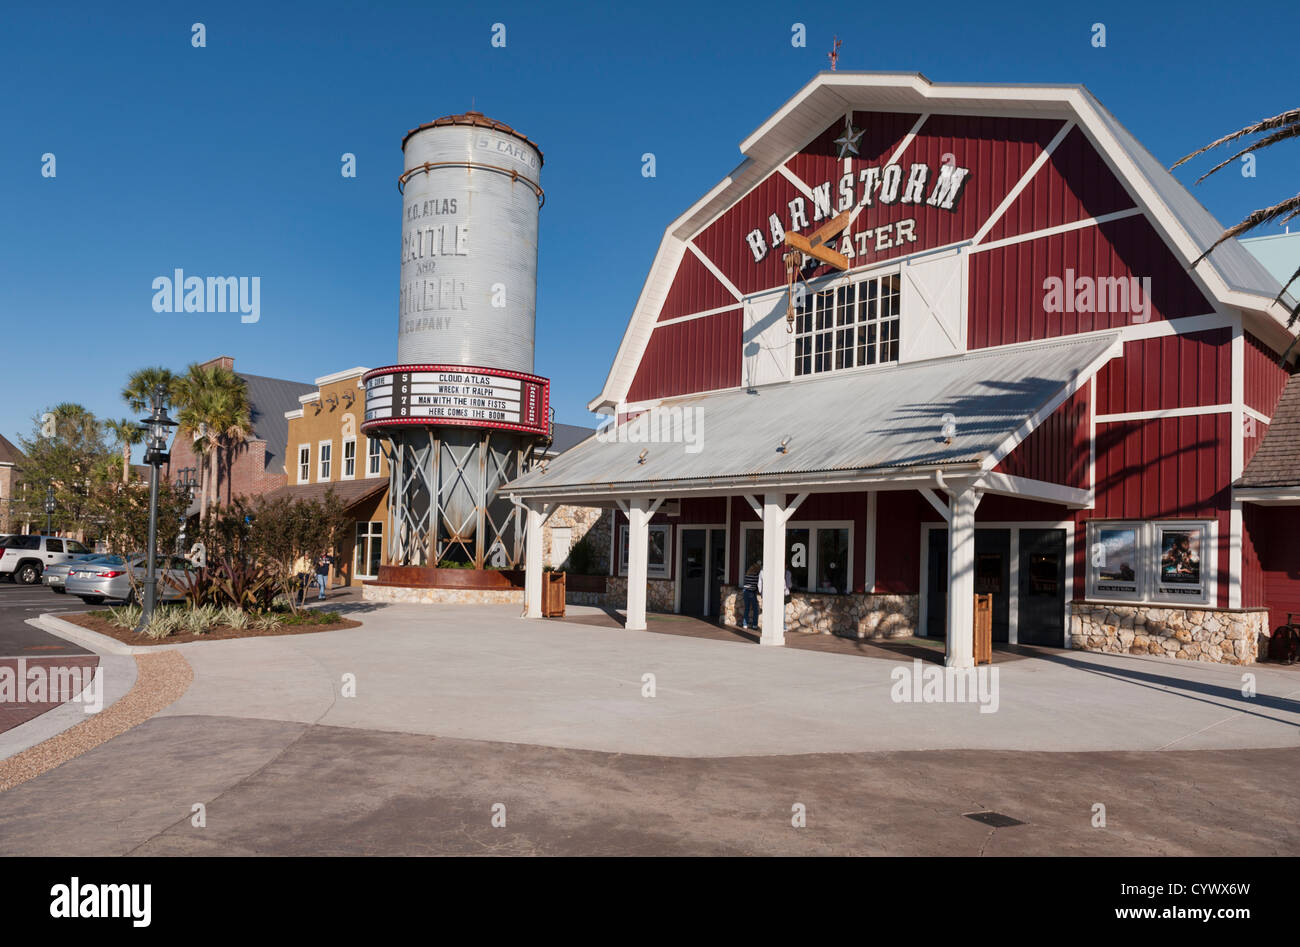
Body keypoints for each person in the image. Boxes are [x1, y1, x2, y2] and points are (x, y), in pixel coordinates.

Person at [741, 560, 761, 630]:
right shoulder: (756, 576)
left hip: (745, 591)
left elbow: (746, 583)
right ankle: (754, 625)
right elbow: (757, 585)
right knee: (755, 609)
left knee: (747, 608)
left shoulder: (747, 574)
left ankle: (745, 624)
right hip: (752, 592)